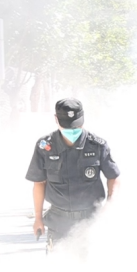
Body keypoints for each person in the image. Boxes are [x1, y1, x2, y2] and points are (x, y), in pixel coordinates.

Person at [25, 98, 120, 246]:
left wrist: (110, 204)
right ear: (56, 119)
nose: (72, 130)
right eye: (67, 126)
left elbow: (113, 177)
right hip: (58, 222)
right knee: (59, 259)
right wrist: (38, 218)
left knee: (92, 259)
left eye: (76, 125)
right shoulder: (45, 146)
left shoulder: (97, 145)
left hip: (91, 220)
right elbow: (39, 183)